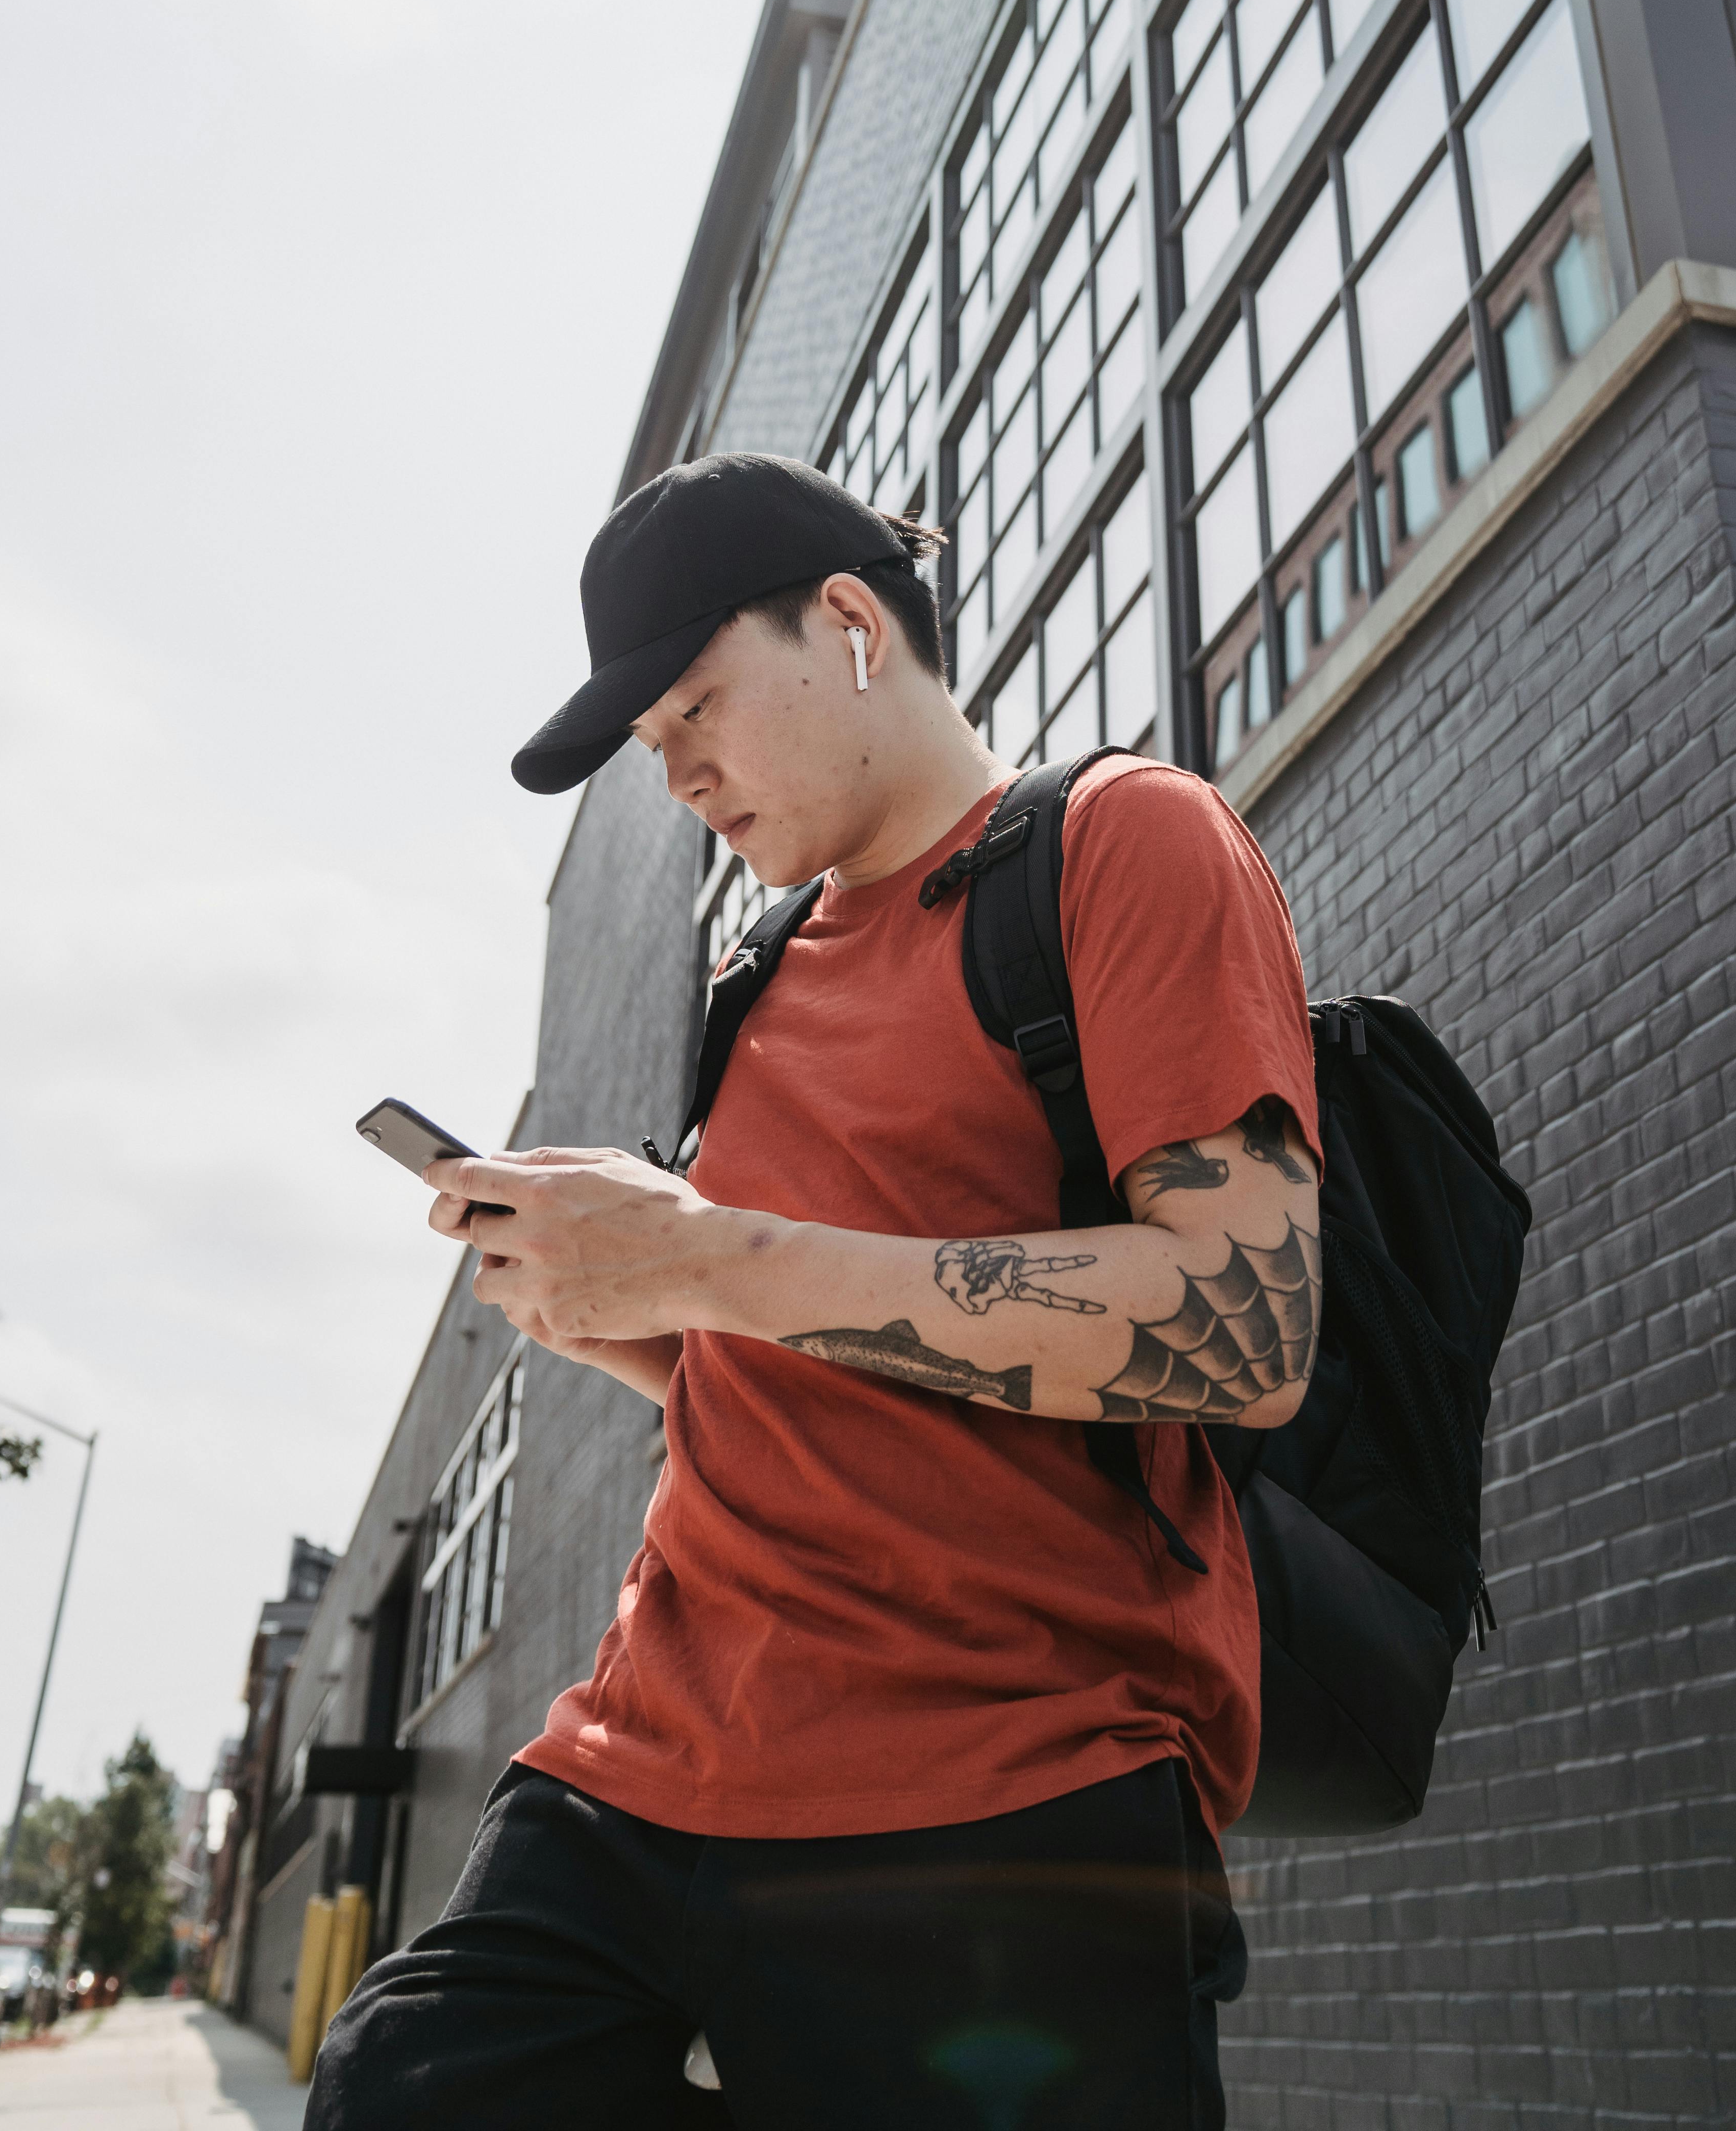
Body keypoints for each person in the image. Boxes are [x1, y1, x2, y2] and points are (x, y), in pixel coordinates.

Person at [311, 453, 1320, 2131]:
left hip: (1005, 1785)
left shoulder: (1121, 842)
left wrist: (713, 1255)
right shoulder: (755, 976)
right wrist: (631, 1313)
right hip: (641, 1758)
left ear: (850, 624)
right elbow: (823, 1351)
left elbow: (1247, 1323)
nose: (683, 773)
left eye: (697, 707)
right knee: (404, 2091)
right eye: (652, 749)